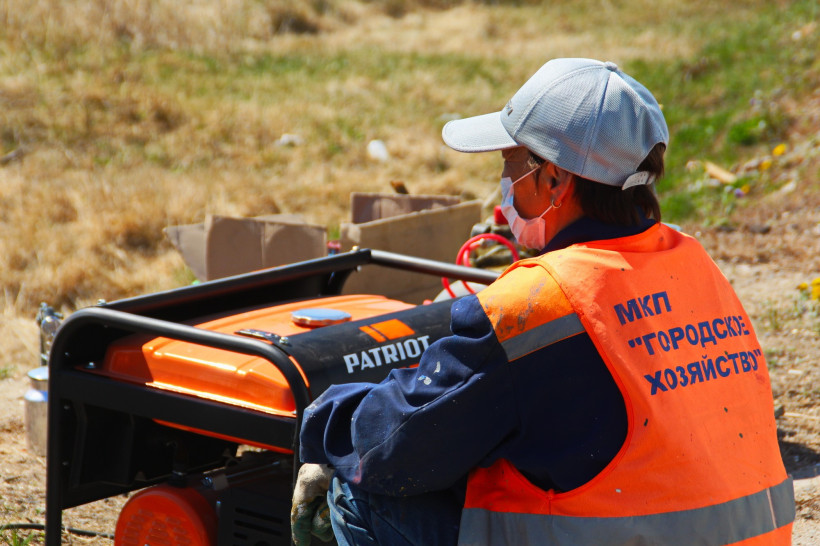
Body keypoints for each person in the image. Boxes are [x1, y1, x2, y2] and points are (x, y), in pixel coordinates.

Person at [291, 58, 795, 545]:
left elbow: (395, 447)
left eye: (509, 162)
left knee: (358, 492)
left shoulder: (540, 304)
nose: (503, 183)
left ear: (552, 179)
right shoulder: (692, 264)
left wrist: (325, 418)